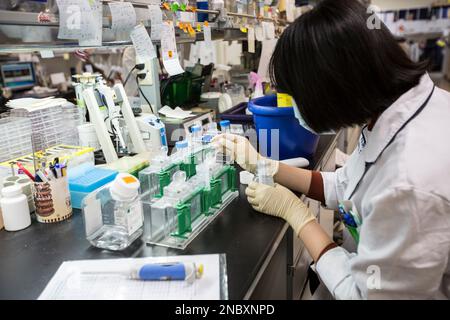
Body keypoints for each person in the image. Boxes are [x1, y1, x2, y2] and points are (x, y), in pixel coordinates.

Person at [214, 0, 450, 299]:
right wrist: (266, 165)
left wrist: (298, 214)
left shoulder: (408, 182)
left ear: (330, 88)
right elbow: (347, 183)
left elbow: (364, 295)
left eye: (294, 96)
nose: (295, 107)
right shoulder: (402, 108)